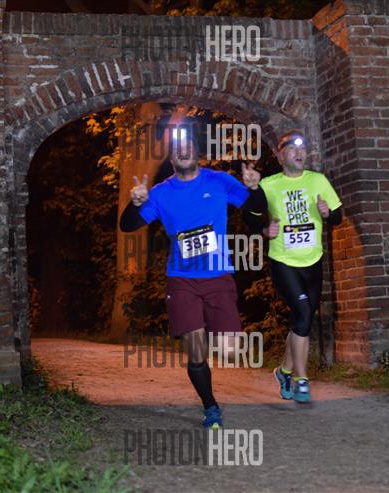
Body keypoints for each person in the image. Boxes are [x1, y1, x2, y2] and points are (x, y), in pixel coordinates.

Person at [119, 127, 263, 428]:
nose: (183, 151)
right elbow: (128, 225)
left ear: (197, 153)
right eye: (177, 148)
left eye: (188, 147)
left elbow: (256, 211)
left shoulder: (219, 181)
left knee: (230, 350)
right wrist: (135, 204)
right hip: (182, 279)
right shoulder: (161, 193)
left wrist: (254, 189)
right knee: (196, 352)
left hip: (218, 275)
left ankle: (208, 332)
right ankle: (210, 406)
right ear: (172, 158)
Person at [246, 129, 342, 403]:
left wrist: (328, 213)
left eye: (303, 148)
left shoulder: (318, 180)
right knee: (302, 313)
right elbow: (250, 216)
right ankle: (301, 380)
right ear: (280, 156)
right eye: (292, 148)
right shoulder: (269, 185)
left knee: (303, 320)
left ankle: (284, 372)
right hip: (284, 262)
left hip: (313, 261)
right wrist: (264, 229)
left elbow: (338, 216)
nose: (300, 152)